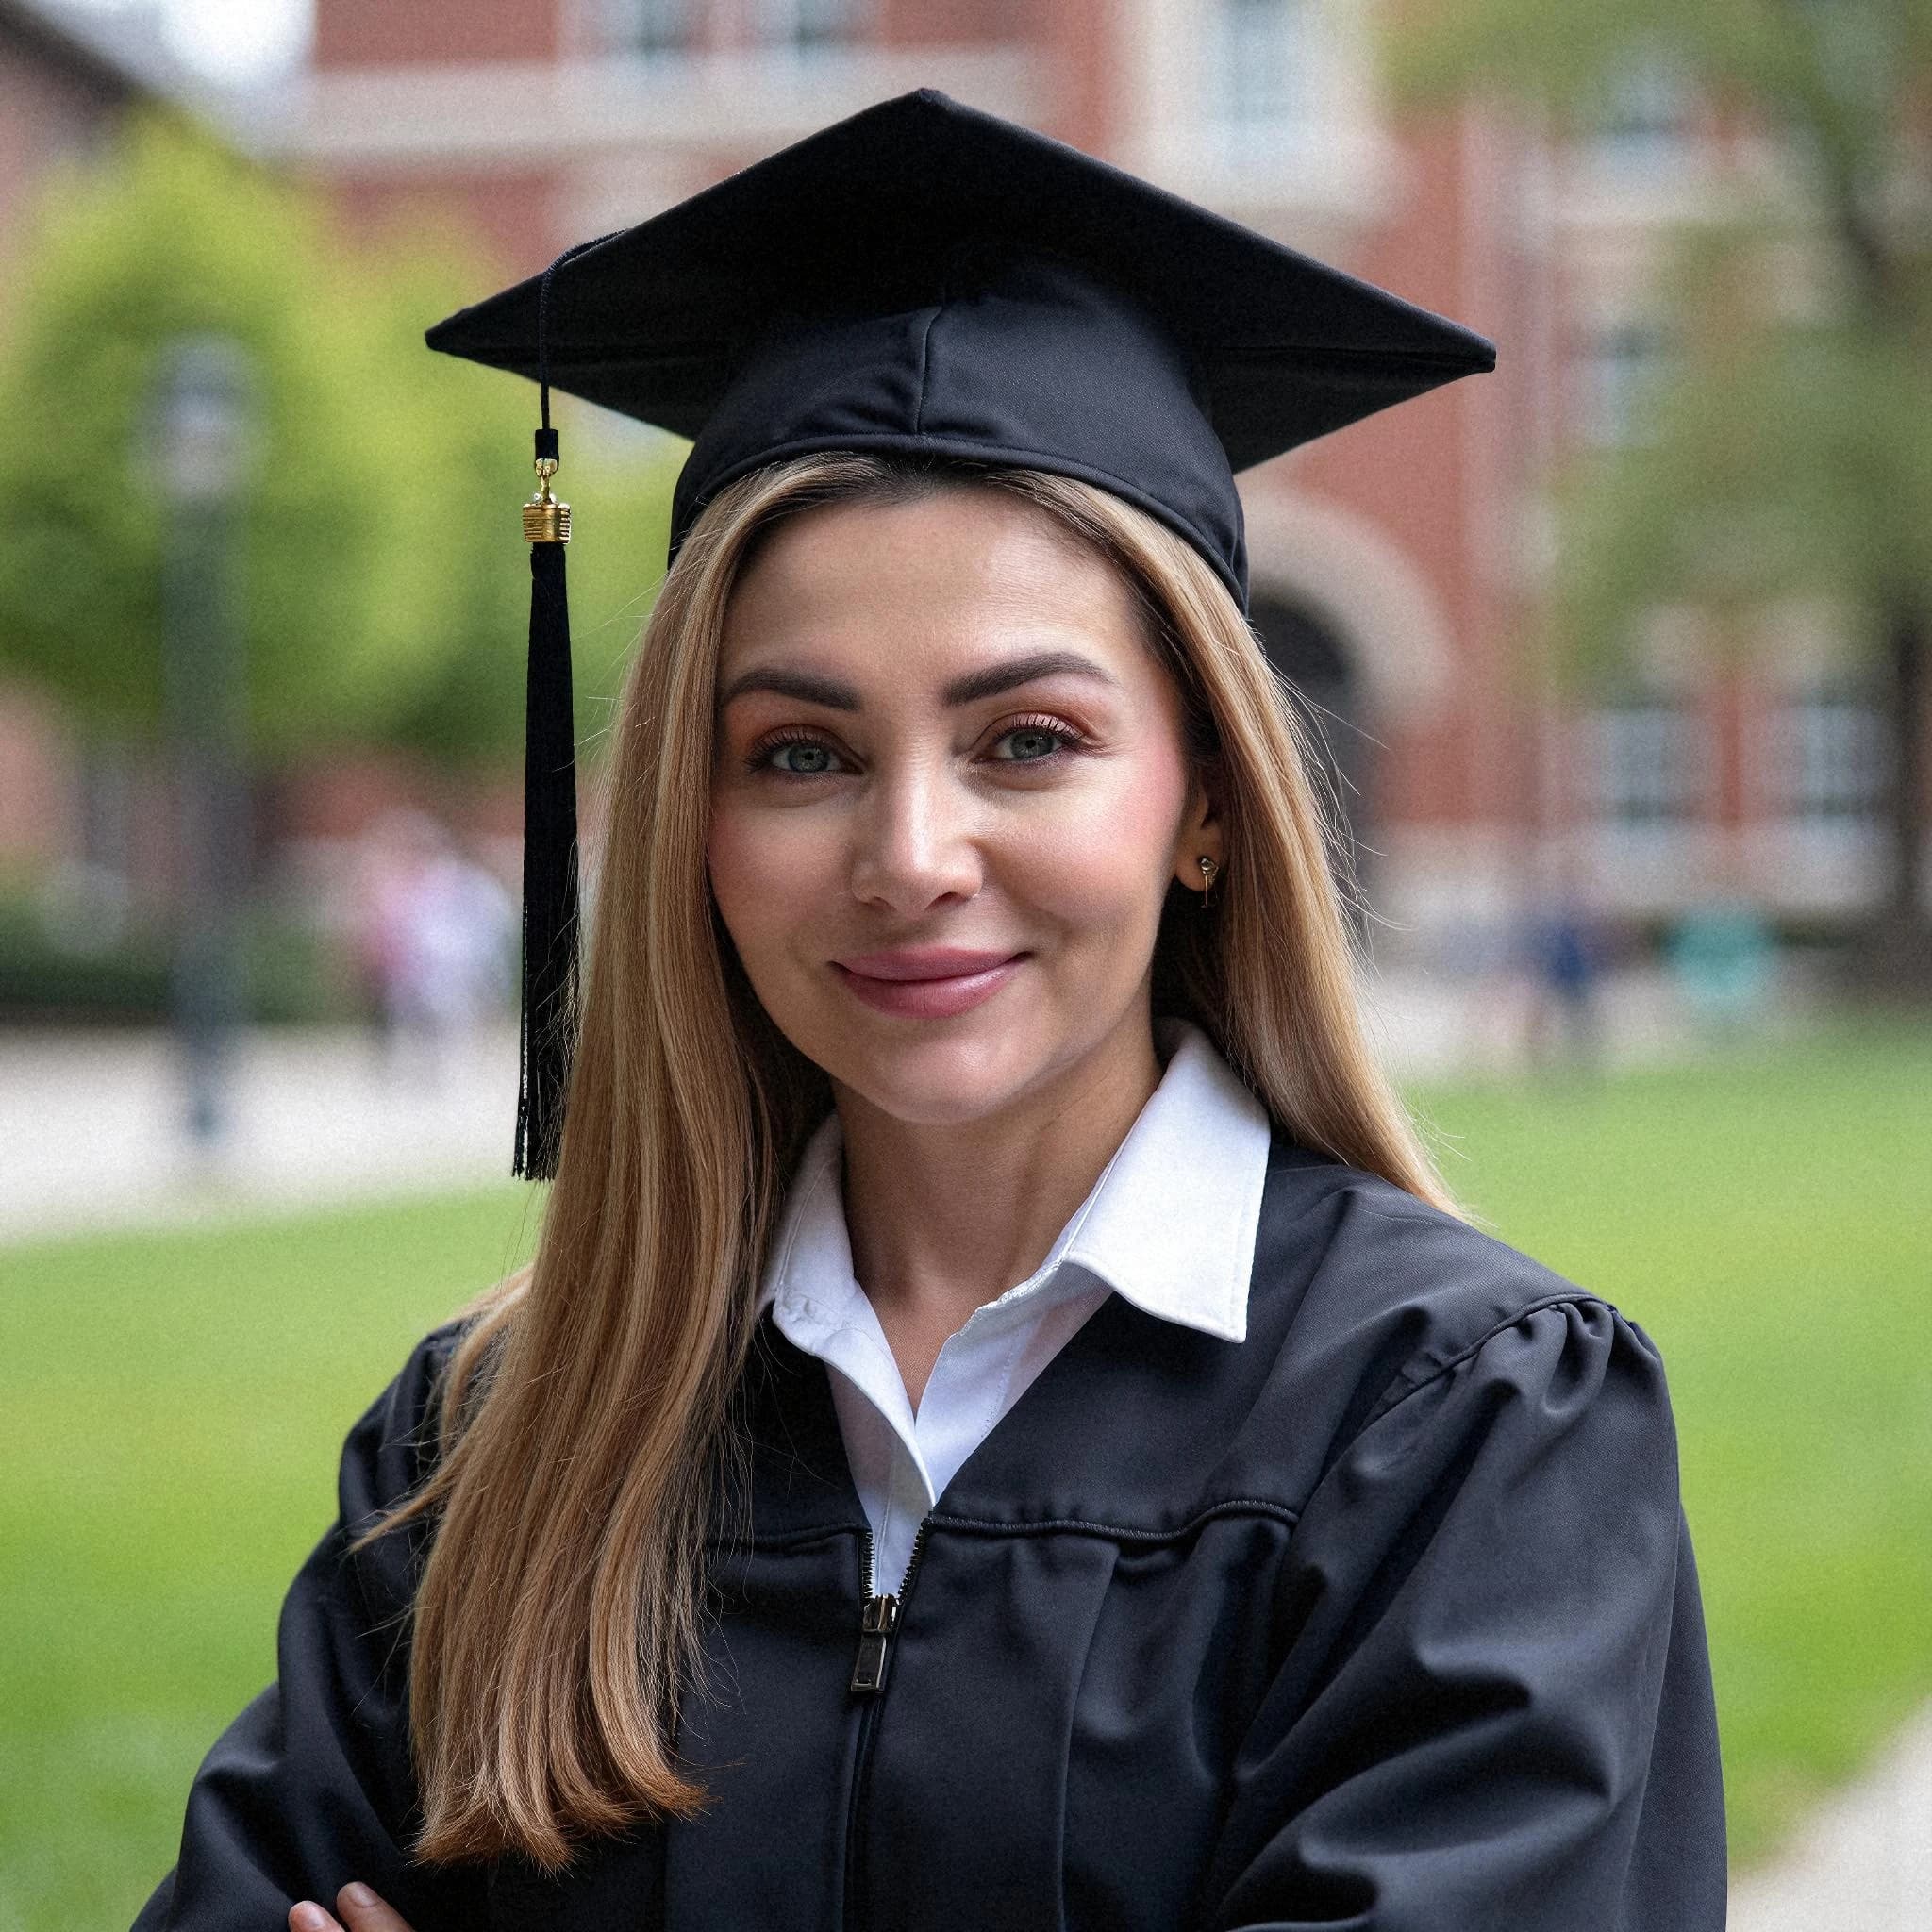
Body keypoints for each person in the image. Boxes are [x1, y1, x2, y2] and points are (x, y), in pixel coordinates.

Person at [133, 92, 1725, 1931]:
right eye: (798, 751)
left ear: (1205, 796)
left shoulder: (1458, 1435)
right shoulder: (492, 1444)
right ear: (691, 817)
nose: (910, 854)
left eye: (1025, 741)